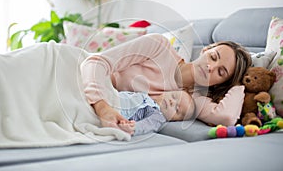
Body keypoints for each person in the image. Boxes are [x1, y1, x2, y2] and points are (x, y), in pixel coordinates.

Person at [80, 33, 252, 130]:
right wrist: (103, 108)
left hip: (92, 104)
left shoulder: (192, 101)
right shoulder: (159, 46)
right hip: (82, 75)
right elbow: (96, 62)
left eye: (221, 72)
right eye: (213, 57)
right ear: (205, 50)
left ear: (219, 83)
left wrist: (240, 82)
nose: (210, 67)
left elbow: (228, 117)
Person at [116, 90, 195, 135]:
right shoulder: (148, 95)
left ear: (175, 119)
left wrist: (133, 127)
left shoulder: (158, 115)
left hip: (117, 111)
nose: (172, 102)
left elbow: (146, 125)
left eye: (176, 109)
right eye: (173, 96)